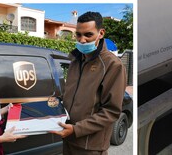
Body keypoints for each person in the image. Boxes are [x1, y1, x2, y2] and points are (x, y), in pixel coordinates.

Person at [51, 11, 127, 154]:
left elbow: (111, 111)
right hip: (68, 139)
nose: (82, 40)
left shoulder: (113, 65)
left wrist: (77, 129)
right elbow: (71, 96)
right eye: (78, 34)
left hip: (90, 146)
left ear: (101, 33)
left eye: (88, 35)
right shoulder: (75, 59)